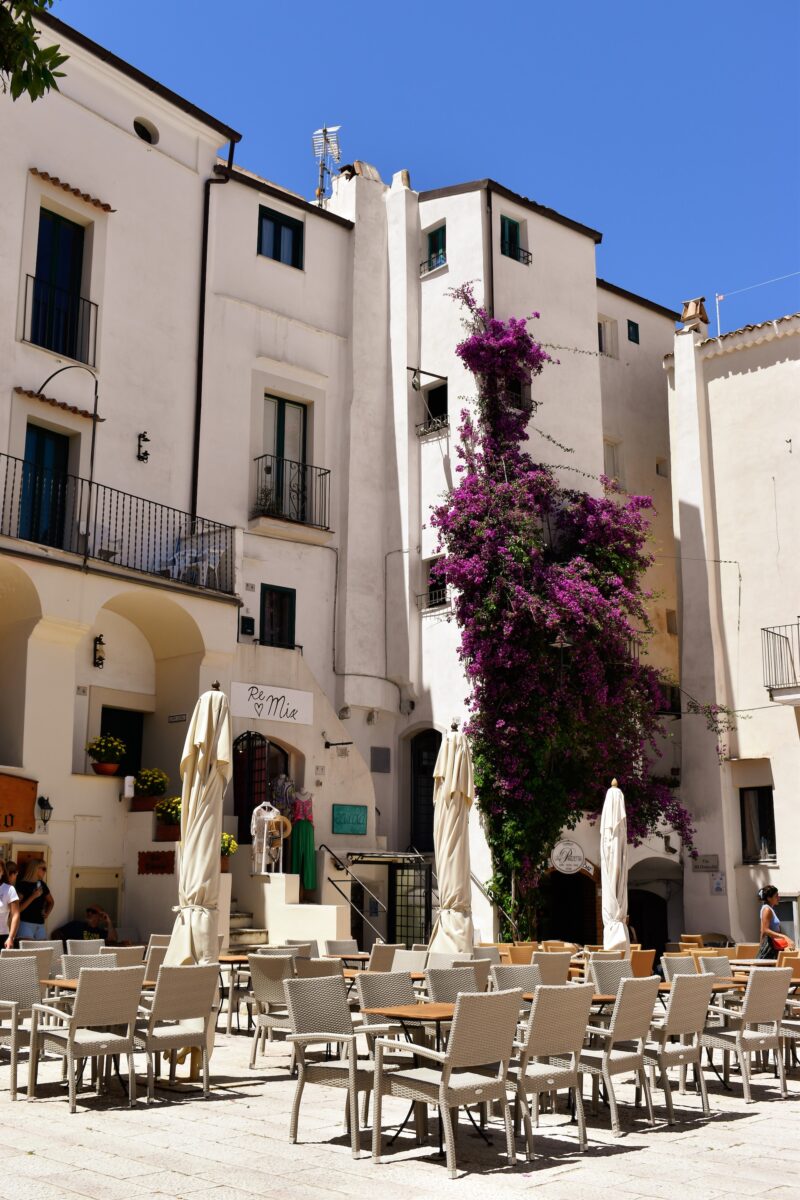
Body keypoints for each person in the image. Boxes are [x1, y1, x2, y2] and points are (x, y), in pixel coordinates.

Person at [16, 858, 53, 940]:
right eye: (43, 869)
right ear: (35, 869)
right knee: (28, 952)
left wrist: (47, 912)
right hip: (25, 923)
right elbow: (17, 909)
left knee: (43, 952)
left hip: (40, 925)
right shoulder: (23, 885)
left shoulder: (42, 885)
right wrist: (33, 896)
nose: (45, 871)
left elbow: (51, 902)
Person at [756, 885, 794, 959]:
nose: (779, 898)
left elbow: (763, 931)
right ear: (769, 898)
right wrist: (785, 937)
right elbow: (765, 930)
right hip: (770, 947)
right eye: (776, 896)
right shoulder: (767, 910)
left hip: (773, 946)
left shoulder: (770, 909)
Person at [52, 905, 117, 946]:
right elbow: (55, 934)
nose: (89, 913)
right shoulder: (76, 925)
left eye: (93, 911)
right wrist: (66, 946)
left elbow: (113, 940)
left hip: (94, 962)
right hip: (75, 960)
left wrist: (109, 922)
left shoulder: (102, 932)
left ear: (100, 917)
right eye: (88, 910)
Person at [0, 860, 20, 950]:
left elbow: (15, 914)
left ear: (2, 872)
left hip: (2, 936)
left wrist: (11, 937)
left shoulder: (9, 889)